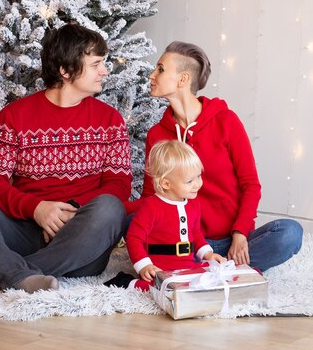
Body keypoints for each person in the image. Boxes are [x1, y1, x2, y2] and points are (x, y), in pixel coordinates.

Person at [0, 23, 132, 294]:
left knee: (111, 207)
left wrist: (69, 213)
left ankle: (4, 275)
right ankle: (18, 273)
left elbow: (119, 184)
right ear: (65, 71)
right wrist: (37, 209)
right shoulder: (14, 116)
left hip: (81, 242)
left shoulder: (110, 120)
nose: (104, 71)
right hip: (23, 231)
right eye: (96, 64)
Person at [126, 41, 303, 273]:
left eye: (160, 69)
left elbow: (251, 185)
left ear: (183, 79)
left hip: (230, 240)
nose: (152, 75)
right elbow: (152, 196)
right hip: (183, 243)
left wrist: (240, 233)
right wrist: (106, 212)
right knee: (129, 225)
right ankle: (223, 272)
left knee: (289, 233)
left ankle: (212, 269)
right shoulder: (158, 135)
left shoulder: (226, 121)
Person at [105, 140, 226, 291]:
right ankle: (127, 282)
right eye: (189, 181)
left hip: (187, 265)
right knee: (157, 288)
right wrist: (144, 265)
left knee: (213, 276)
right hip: (161, 268)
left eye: (199, 176)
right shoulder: (152, 207)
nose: (198, 184)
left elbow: (195, 233)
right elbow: (134, 238)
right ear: (166, 184)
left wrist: (207, 254)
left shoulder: (193, 204)